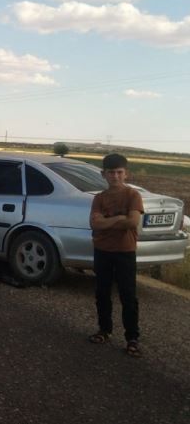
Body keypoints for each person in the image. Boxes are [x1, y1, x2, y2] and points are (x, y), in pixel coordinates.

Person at [88, 153, 144, 357]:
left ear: (126, 173)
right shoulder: (99, 198)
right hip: (102, 251)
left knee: (128, 296)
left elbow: (132, 222)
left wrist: (107, 220)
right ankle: (104, 330)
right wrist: (120, 217)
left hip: (125, 251)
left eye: (119, 172)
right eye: (111, 173)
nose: (115, 176)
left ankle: (132, 338)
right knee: (102, 293)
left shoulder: (133, 196)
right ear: (104, 174)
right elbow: (95, 223)